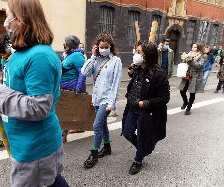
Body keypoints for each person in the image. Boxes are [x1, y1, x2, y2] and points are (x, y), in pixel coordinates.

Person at [0, 0, 69, 186]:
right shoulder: (19, 53)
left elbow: (39, 107)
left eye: (8, 16)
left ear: (21, 20)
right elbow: (17, 91)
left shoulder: (39, 56)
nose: (5, 22)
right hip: (23, 142)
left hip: (35, 147)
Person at [122, 41, 170, 175]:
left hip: (146, 112)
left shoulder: (159, 75)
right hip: (132, 107)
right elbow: (135, 81)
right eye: (136, 51)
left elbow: (164, 98)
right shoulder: (138, 68)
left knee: (143, 137)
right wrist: (132, 71)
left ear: (147, 56)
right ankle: (143, 149)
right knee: (127, 132)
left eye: (138, 52)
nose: (135, 54)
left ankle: (138, 159)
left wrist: (146, 103)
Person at [81, 32, 122, 168]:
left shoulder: (116, 61)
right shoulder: (95, 60)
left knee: (97, 125)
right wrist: (92, 56)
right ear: (97, 47)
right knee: (103, 124)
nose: (104, 49)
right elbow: (84, 73)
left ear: (111, 46)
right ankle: (108, 146)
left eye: (106, 46)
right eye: (101, 47)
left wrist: (111, 103)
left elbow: (116, 83)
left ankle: (94, 152)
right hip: (97, 98)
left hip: (107, 99)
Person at [60, 35, 86, 143]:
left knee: (65, 112)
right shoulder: (69, 55)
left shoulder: (76, 56)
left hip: (71, 87)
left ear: (70, 45)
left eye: (65, 43)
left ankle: (63, 135)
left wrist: (78, 88)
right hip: (64, 87)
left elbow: (82, 73)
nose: (64, 45)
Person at [179, 42, 208, 115]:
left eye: (195, 47)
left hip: (195, 76)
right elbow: (186, 63)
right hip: (187, 75)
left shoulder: (203, 56)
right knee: (182, 90)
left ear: (198, 48)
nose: (193, 48)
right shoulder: (189, 54)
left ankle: (188, 108)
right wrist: (185, 59)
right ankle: (185, 102)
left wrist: (190, 60)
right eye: (192, 47)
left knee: (192, 93)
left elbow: (199, 66)